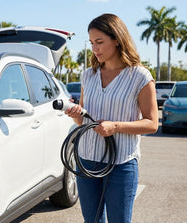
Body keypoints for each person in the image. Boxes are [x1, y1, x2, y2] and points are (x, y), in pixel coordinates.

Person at [65, 13, 158, 223]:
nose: (94, 48)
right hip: (87, 160)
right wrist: (76, 115)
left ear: (117, 39)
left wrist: (115, 126)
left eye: (99, 42)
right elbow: (85, 120)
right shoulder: (88, 75)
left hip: (121, 164)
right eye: (91, 43)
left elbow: (152, 123)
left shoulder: (140, 76)